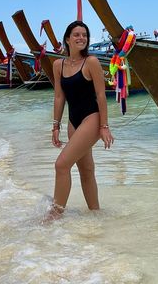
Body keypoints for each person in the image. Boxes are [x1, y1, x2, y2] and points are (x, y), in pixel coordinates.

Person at [44, 20, 114, 221]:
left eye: (84, 35)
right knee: (86, 169)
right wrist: (55, 126)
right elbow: (59, 97)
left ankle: (55, 215)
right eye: (76, 34)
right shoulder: (58, 65)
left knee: (61, 165)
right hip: (73, 121)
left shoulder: (90, 62)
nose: (81, 38)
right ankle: (96, 214)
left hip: (92, 118)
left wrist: (104, 126)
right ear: (67, 39)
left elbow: (101, 95)